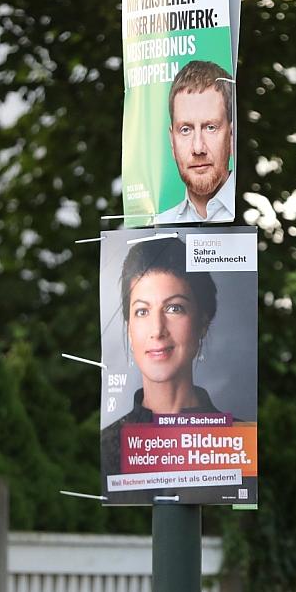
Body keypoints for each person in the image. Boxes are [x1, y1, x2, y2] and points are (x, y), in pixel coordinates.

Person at [100, 236, 226, 480]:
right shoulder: (105, 450)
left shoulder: (234, 442)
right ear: (129, 326)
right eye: (142, 311)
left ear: (203, 322)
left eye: (174, 308)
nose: (157, 330)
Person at [156, 60, 236, 224]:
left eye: (210, 127)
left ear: (231, 135)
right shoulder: (159, 226)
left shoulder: (257, 216)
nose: (198, 148)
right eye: (185, 130)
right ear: (172, 141)